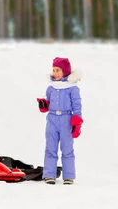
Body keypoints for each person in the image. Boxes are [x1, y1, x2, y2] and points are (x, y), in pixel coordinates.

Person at [37, 57, 83, 185]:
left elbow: (77, 105)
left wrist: (77, 120)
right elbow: (48, 102)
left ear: (65, 72)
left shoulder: (72, 88)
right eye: (54, 70)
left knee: (67, 148)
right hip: (52, 120)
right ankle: (49, 174)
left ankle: (68, 175)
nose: (55, 73)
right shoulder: (51, 87)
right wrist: (44, 104)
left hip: (66, 120)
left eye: (58, 70)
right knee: (50, 147)